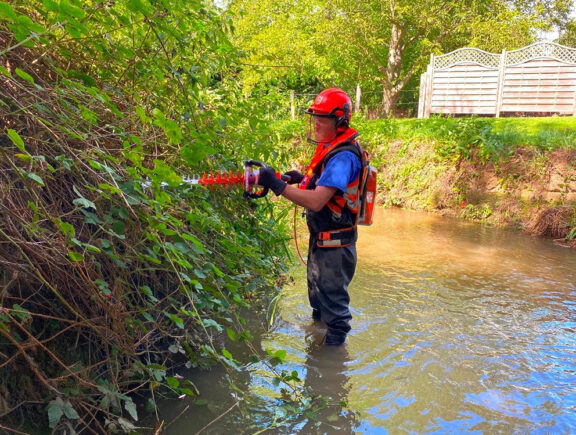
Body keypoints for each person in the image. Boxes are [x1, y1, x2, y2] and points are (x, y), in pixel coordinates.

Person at [258, 88, 364, 346]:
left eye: (323, 118)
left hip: (335, 250)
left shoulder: (343, 157)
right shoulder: (333, 150)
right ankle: (316, 355)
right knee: (319, 305)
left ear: (340, 121)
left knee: (336, 318)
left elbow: (317, 201)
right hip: (324, 245)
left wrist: (277, 185)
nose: (316, 123)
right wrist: (302, 180)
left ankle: (332, 372)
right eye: (314, 117)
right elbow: (321, 188)